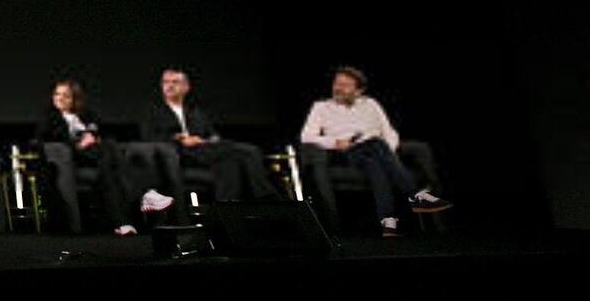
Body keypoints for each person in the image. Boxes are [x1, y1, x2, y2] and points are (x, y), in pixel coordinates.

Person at [298, 66, 451, 238]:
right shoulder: (321, 107)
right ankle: (415, 196)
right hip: (347, 152)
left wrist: (389, 154)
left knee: (376, 165)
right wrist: (334, 142)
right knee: (376, 143)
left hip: (376, 152)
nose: (338, 88)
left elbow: (389, 131)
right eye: (337, 83)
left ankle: (388, 224)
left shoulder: (371, 104)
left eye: (345, 85)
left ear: (359, 90)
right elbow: (306, 137)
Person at [38, 78, 172, 236]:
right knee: (110, 149)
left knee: (109, 172)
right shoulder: (49, 118)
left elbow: (103, 131)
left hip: (99, 155)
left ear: (75, 98)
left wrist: (94, 137)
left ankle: (123, 224)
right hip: (74, 157)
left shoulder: (87, 115)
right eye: (57, 94)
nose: (59, 98)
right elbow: (47, 139)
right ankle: (146, 193)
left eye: (65, 95)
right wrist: (79, 143)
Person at [137, 68, 279, 203]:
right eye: (166, 82)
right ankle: (266, 196)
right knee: (249, 151)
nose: (169, 86)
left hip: (204, 149)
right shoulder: (152, 111)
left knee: (230, 164)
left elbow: (211, 134)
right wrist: (179, 138)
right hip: (178, 152)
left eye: (175, 82)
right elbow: (148, 138)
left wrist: (211, 139)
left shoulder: (196, 112)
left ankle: (226, 209)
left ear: (186, 87)